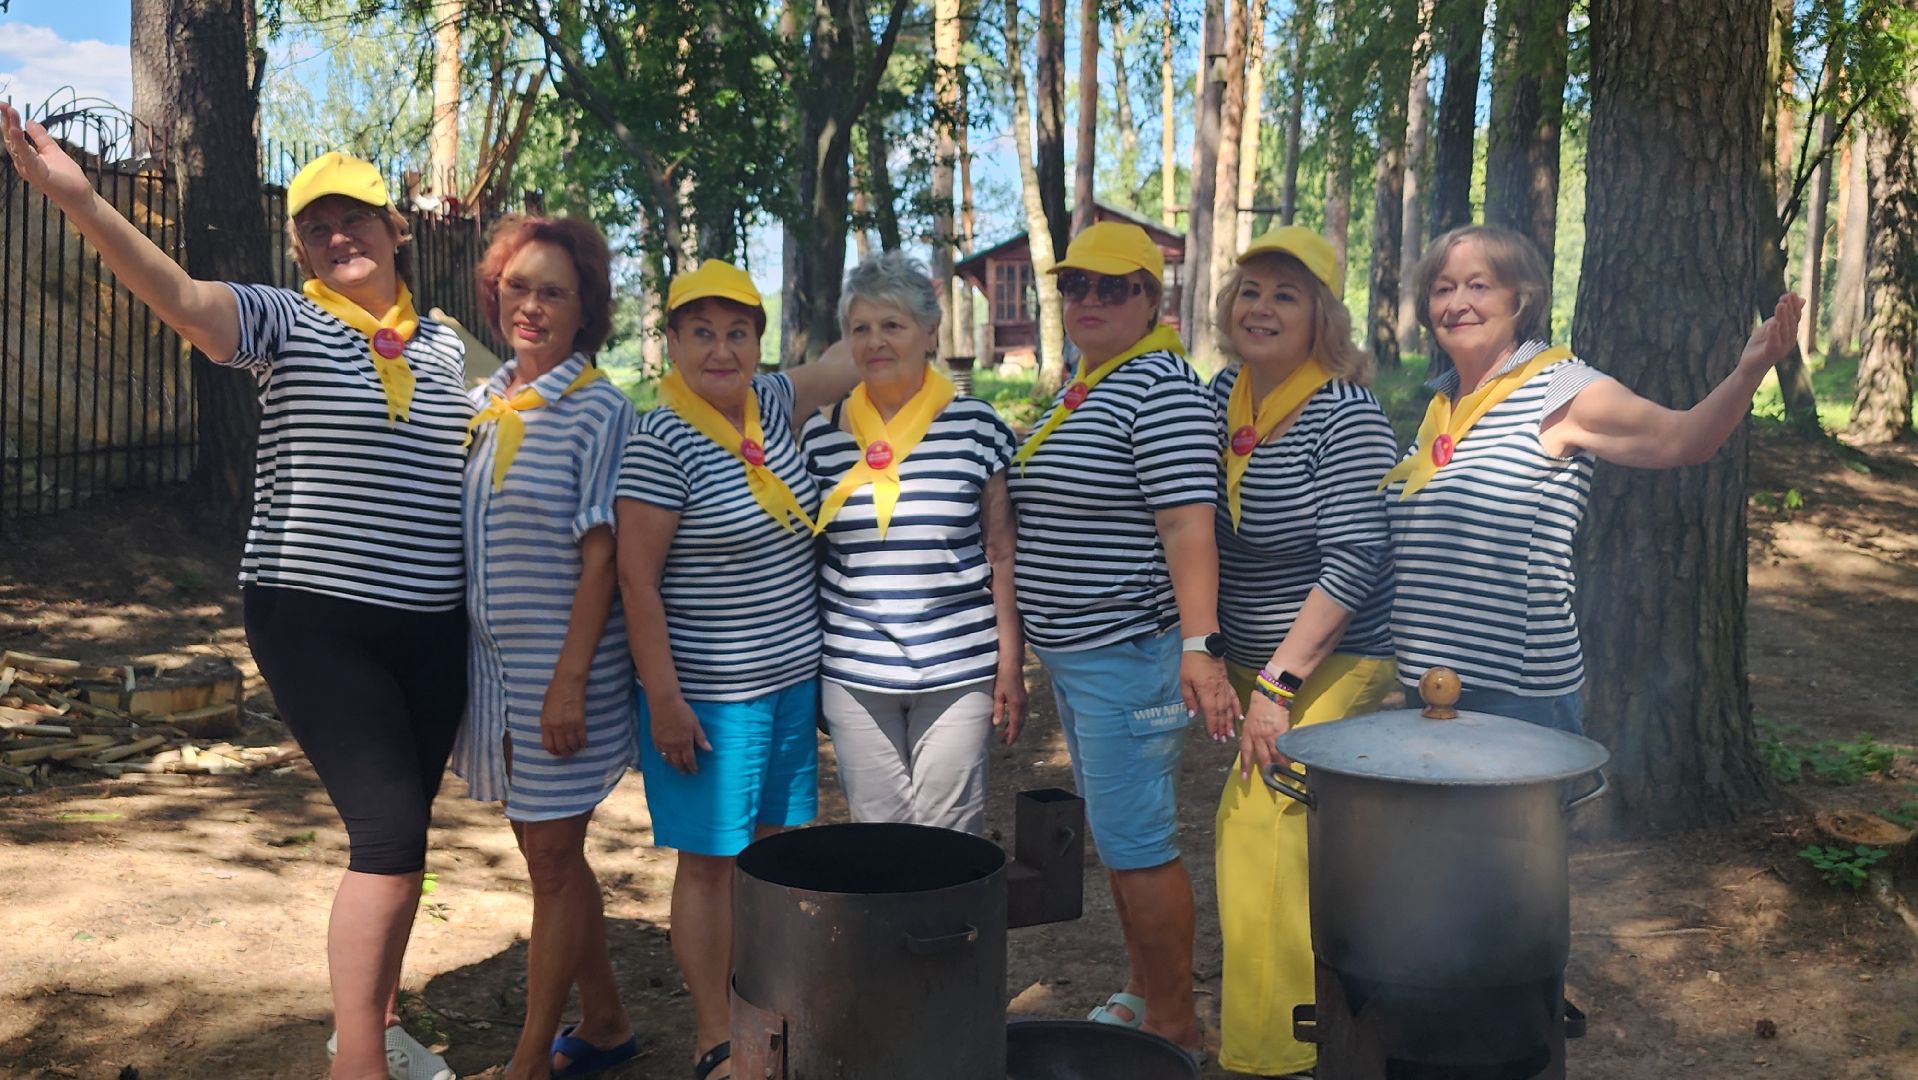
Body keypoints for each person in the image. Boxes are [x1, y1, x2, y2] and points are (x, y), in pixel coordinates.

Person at [3, 106, 466, 1080]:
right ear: (297, 241)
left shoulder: (449, 348)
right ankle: (357, 1068)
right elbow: (177, 296)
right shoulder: (285, 320)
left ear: (395, 229)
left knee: (406, 828)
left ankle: (369, 1022)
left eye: (357, 219)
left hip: (432, 627)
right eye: (316, 224)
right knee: (384, 831)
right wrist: (81, 203)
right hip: (315, 620)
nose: (338, 237)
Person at [1387, 224, 1803, 731]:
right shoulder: (1442, 405)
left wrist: (1748, 373)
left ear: (1520, 300)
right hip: (1423, 686)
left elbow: (1683, 439)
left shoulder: (1559, 389)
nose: (1457, 302)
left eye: (1479, 285)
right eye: (1442, 288)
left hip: (1515, 698)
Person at [613, 261, 857, 1080]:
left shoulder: (775, 405)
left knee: (774, 854)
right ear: (674, 341)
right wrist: (665, 700)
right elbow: (635, 580)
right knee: (712, 864)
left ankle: (770, 1009)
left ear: (758, 340)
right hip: (708, 696)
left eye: (738, 332)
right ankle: (716, 1032)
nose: (722, 349)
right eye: (702, 332)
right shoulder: (661, 439)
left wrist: (894, 312)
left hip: (791, 681)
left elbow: (848, 357)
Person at [1007, 221, 1237, 1062]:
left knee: (1140, 847)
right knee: (1120, 836)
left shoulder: (1160, 388)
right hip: (1080, 655)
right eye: (1076, 286)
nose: (1091, 300)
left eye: (1114, 287)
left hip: (1129, 653)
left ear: (1152, 299)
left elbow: (1186, 526)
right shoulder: (1090, 382)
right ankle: (1147, 992)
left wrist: (1199, 645)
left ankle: (1174, 1023)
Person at [1206, 226, 1400, 1078]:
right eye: (1251, 290)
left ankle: (1274, 1056)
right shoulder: (1222, 396)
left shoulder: (1345, 412)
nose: (1263, 307)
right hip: (1252, 662)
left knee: (1261, 824)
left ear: (1323, 316)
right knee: (1280, 836)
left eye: (1287, 294)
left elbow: (1356, 558)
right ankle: (1314, 1024)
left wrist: (1277, 685)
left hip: (1334, 659)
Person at [451, 215, 639, 1079]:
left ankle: (530, 1062)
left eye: (552, 292)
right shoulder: (489, 405)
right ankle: (603, 1024)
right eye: (517, 286)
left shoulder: (599, 408)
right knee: (546, 854)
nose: (530, 305)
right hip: (499, 678)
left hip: (567, 677)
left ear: (583, 309)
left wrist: (567, 682)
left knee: (554, 860)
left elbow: (601, 553)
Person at [798, 251, 1026, 834]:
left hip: (960, 667)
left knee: (949, 833)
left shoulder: (977, 427)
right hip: (855, 671)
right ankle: (884, 931)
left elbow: (1001, 552)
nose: (876, 342)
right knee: (877, 834)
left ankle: (948, 930)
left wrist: (1010, 660)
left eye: (892, 326)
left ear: (930, 332)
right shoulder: (823, 438)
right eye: (861, 329)